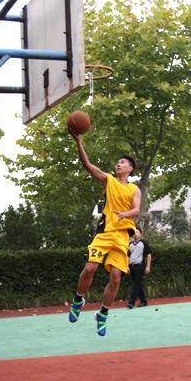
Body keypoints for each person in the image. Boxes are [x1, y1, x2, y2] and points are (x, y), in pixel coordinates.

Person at [67, 125, 141, 337]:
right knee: (90, 268)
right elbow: (87, 165)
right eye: (118, 162)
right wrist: (79, 141)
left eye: (123, 162)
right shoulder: (109, 180)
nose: (119, 164)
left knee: (116, 278)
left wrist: (125, 215)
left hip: (122, 236)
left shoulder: (134, 189)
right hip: (105, 231)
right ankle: (78, 300)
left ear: (130, 169)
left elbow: (137, 209)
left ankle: (102, 314)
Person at [127, 227, 152, 309]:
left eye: (137, 232)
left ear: (140, 234)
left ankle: (131, 302)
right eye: (134, 232)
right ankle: (143, 301)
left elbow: (149, 254)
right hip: (132, 266)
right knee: (138, 284)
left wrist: (148, 266)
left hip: (140, 266)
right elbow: (128, 256)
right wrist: (127, 266)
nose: (135, 234)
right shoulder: (130, 244)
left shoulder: (143, 243)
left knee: (136, 285)